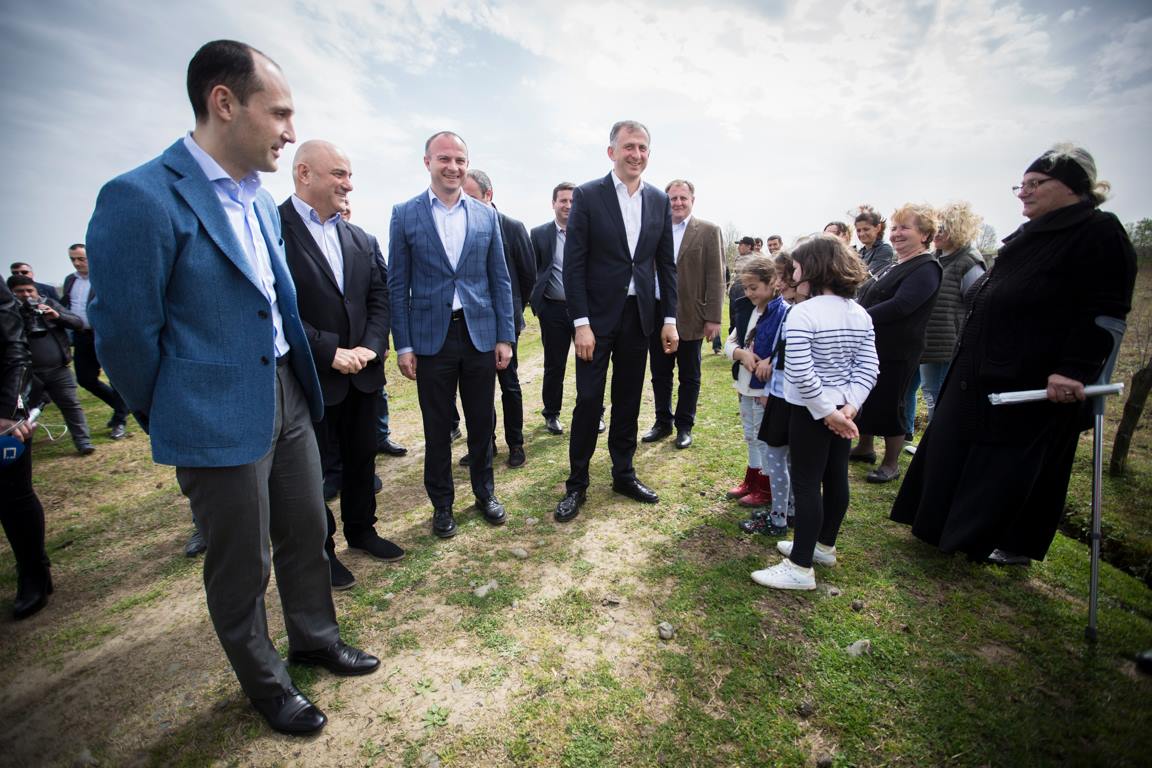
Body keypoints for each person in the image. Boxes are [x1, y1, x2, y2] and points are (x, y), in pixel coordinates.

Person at [86, 39, 379, 736]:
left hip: (289, 394)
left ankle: (315, 638)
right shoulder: (140, 198)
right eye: (278, 113)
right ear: (224, 103)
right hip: (212, 414)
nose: (289, 130)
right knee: (242, 562)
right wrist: (173, 410)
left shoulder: (257, 201)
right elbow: (124, 337)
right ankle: (267, 684)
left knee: (307, 530)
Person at [891, 143, 1137, 565]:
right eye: (1020, 185)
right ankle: (937, 526)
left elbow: (1105, 311)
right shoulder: (1027, 234)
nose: (1024, 192)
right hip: (981, 367)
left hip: (1032, 375)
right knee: (952, 443)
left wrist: (1075, 368)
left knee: (1008, 462)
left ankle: (997, 540)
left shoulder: (1099, 234)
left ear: (1073, 186)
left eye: (1035, 184)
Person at [279, 140, 402, 591]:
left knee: (361, 457)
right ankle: (323, 550)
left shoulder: (361, 238)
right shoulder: (272, 229)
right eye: (339, 174)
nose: (348, 184)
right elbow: (276, 304)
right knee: (312, 472)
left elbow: (379, 297)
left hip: (363, 375)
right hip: (310, 376)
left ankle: (362, 530)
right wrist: (328, 350)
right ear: (304, 173)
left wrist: (370, 346)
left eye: (349, 175)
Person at [388, 131, 515, 539]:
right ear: (427, 162)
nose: (453, 167)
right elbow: (397, 285)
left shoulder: (485, 215)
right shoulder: (404, 214)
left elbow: (500, 279)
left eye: (460, 160)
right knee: (438, 427)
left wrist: (505, 336)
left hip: (479, 335)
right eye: (444, 158)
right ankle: (442, 505)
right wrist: (404, 344)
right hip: (431, 339)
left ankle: (484, 492)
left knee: (481, 421)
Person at [553, 120, 678, 523]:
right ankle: (577, 483)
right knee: (589, 400)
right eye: (628, 147)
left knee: (628, 398)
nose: (636, 154)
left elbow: (665, 265)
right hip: (596, 319)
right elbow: (573, 265)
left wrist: (670, 318)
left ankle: (623, 474)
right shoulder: (589, 195)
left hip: (638, 317)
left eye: (642, 147)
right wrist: (581, 323)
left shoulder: (658, 200)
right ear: (612, 152)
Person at [752, 235, 877, 590]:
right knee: (836, 477)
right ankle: (823, 546)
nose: (792, 275)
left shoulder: (803, 313)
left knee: (807, 484)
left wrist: (825, 413)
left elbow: (800, 371)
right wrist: (848, 407)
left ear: (812, 269)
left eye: (795, 268)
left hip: (811, 411)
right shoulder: (859, 313)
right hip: (842, 410)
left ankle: (800, 566)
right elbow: (868, 367)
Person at [849, 204, 942, 483]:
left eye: (905, 228)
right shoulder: (896, 264)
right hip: (875, 345)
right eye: (894, 228)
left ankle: (891, 463)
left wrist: (859, 317)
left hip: (898, 349)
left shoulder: (926, 267)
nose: (897, 234)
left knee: (892, 403)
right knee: (868, 396)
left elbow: (902, 305)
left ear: (925, 234)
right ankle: (865, 447)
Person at [461, 168, 536, 468]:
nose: (464, 203)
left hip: (505, 321)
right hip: (473, 323)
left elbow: (528, 275)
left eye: (471, 197)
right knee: (477, 388)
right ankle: (485, 444)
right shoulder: (460, 227)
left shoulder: (512, 227)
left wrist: (513, 308)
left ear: (488, 195)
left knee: (509, 384)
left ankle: (516, 443)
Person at [641, 179, 723, 449]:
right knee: (660, 373)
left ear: (692, 201)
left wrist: (713, 317)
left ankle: (684, 426)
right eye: (672, 198)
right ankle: (662, 422)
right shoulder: (654, 229)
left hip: (691, 314)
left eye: (682, 198)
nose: (677, 203)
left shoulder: (708, 231)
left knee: (689, 375)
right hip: (656, 312)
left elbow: (716, 277)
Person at [0, 281, 51, 619]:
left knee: (12, 495)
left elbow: (14, 348)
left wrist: (9, 411)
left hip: (5, 415)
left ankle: (33, 572)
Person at [741, 252, 801, 535]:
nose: (749, 293)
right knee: (780, 455)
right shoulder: (772, 311)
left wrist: (768, 381)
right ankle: (786, 510)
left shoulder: (786, 312)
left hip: (778, 393)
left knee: (779, 456)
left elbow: (783, 353)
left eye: (754, 287)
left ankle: (779, 517)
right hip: (771, 390)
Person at [6, 276, 94, 455]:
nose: (26, 295)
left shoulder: (49, 304)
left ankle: (84, 442)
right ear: (11, 293)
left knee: (71, 405)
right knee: (23, 411)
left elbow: (77, 322)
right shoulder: (8, 313)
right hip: (26, 374)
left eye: (30, 290)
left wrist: (57, 316)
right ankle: (19, 448)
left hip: (58, 369)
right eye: (20, 292)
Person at [918, 201, 986, 425]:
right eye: (935, 228)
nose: (937, 234)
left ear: (958, 229)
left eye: (943, 229)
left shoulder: (968, 262)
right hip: (930, 342)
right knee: (930, 392)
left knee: (940, 395)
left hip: (948, 344)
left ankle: (939, 439)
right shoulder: (936, 258)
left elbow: (976, 304)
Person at [61, 244, 129, 439]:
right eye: (73, 259)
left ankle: (120, 421)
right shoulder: (70, 280)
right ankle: (122, 407)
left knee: (116, 379)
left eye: (81, 259)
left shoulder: (106, 278)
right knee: (85, 379)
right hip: (82, 335)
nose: (76, 263)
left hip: (105, 334)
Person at [724, 257, 776, 508]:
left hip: (764, 387)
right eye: (745, 288)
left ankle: (766, 487)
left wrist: (770, 361)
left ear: (771, 282)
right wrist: (741, 354)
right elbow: (730, 342)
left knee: (762, 435)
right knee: (750, 434)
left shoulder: (779, 312)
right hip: (744, 384)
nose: (749, 293)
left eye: (753, 287)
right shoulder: (745, 309)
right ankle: (752, 479)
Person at [529, 182, 577, 435]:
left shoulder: (588, 232)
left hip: (584, 311)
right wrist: (538, 305)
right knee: (554, 365)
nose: (568, 205)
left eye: (572, 201)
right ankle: (552, 414)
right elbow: (531, 270)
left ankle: (594, 412)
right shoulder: (538, 234)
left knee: (590, 364)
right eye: (563, 200)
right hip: (553, 310)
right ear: (553, 203)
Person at [854, 205, 894, 275]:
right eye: (858, 230)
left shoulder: (884, 249)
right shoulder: (860, 253)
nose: (862, 234)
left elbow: (869, 275)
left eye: (866, 229)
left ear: (878, 228)